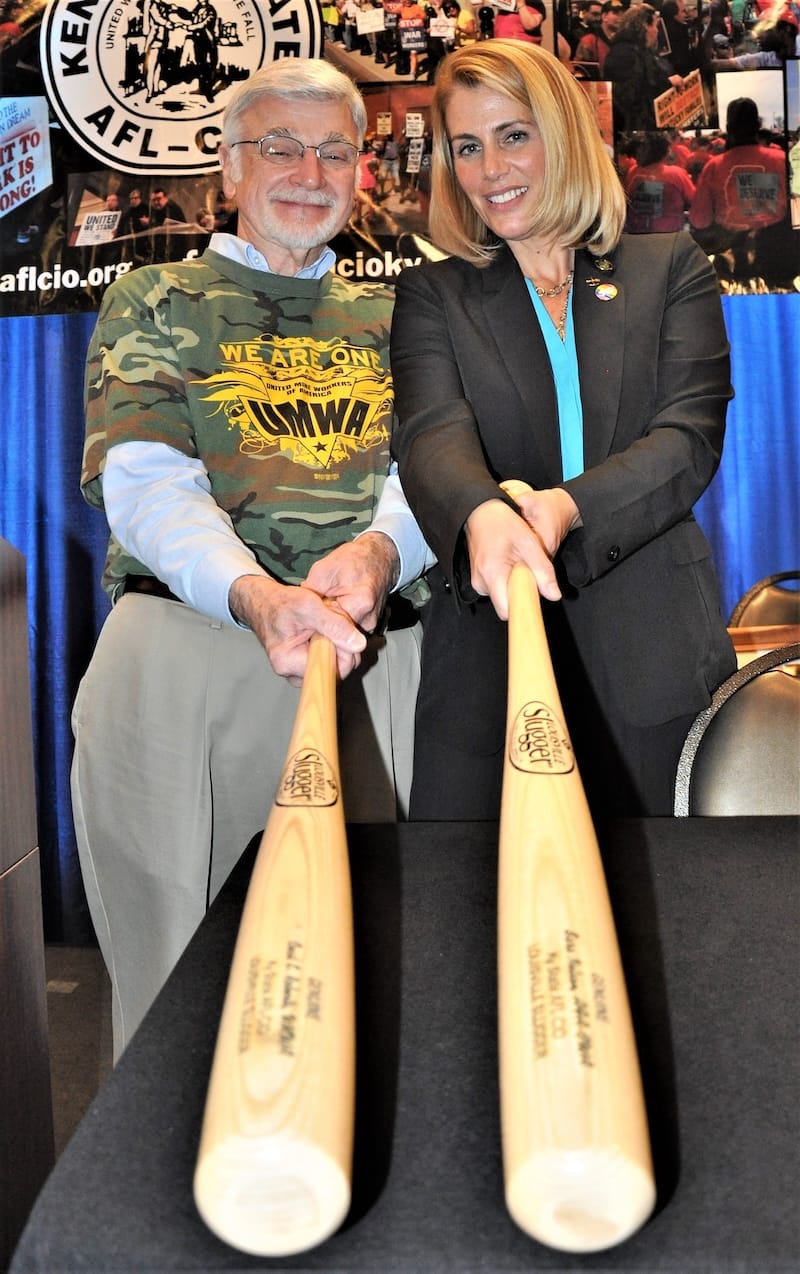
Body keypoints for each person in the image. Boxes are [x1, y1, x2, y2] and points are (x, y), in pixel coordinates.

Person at [72, 58, 431, 1060]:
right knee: (179, 995)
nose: (309, 173)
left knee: (363, 984)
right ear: (229, 167)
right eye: (280, 147)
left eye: (334, 153)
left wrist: (376, 554)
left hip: (369, 662)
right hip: (188, 659)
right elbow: (144, 479)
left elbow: (430, 473)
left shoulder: (401, 316)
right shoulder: (155, 297)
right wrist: (256, 596)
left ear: (361, 172)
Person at [390, 39, 737, 822]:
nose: (491, 169)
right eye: (467, 147)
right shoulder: (433, 295)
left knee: (668, 896)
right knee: (476, 894)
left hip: (654, 655)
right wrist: (482, 513)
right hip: (486, 666)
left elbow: (688, 438)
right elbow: (431, 434)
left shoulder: (668, 267)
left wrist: (563, 508)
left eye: (513, 135)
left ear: (563, 135)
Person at [689, 95, 790, 284]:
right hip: (777, 255)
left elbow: (700, 220)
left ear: (728, 128)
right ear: (758, 125)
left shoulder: (714, 167)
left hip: (732, 259)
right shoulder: (780, 160)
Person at [604, 4, 686, 132]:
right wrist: (667, 83)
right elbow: (630, 95)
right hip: (636, 128)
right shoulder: (623, 54)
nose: (657, 31)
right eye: (654, 25)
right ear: (644, 26)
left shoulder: (643, 50)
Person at [624, 130, 696, 231]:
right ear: (664, 151)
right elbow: (694, 200)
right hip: (669, 233)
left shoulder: (632, 171)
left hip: (637, 231)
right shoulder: (676, 174)